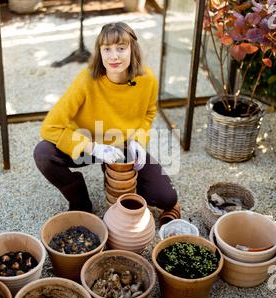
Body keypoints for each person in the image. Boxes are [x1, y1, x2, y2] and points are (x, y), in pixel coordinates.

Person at [33, 22, 178, 216]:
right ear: (99, 52)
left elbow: (149, 114)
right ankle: (81, 201)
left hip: (123, 144)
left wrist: (139, 141)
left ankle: (116, 174)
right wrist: (94, 148)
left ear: (132, 49)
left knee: (167, 199)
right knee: (43, 153)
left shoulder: (148, 79)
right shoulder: (86, 80)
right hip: (87, 144)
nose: (114, 56)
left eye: (121, 48)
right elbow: (50, 127)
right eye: (107, 49)